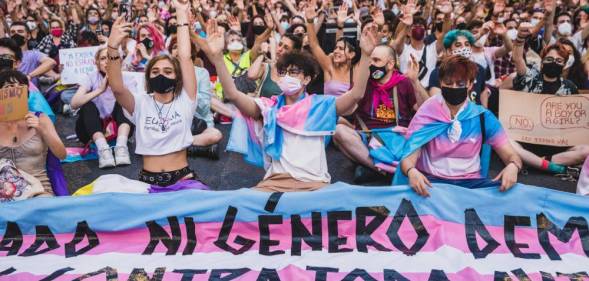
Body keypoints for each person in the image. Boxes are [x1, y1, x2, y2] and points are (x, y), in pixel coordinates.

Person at [199, 19, 378, 192]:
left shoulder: (320, 105)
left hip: (314, 186)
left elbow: (357, 94)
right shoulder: (269, 108)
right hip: (275, 185)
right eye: (283, 72)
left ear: (307, 79)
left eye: (294, 72)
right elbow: (232, 94)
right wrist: (217, 58)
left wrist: (366, 55)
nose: (287, 76)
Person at [397, 55, 522, 196]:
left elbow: (511, 155)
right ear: (440, 83)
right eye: (448, 83)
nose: (454, 87)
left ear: (470, 84)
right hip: (431, 184)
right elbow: (408, 159)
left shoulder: (482, 117)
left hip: (471, 187)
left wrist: (513, 166)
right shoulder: (426, 113)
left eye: (460, 84)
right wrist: (412, 171)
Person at [106, 0, 200, 187]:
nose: (161, 75)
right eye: (155, 72)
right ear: (148, 78)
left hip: (184, 179)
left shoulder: (186, 99)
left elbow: (184, 56)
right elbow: (117, 88)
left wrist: (181, 14)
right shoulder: (140, 103)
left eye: (168, 71)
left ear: (177, 77)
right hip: (148, 183)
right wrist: (112, 47)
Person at [509, 23, 589, 175]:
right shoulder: (529, 77)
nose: (554, 63)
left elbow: (574, 122)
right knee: (503, 140)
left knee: (586, 150)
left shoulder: (570, 87)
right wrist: (520, 38)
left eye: (559, 61)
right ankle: (548, 165)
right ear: (542, 60)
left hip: (555, 144)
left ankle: (536, 161)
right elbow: (518, 58)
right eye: (550, 59)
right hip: (525, 140)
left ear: (564, 65)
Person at [333, 44, 421, 182]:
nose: (372, 65)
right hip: (367, 138)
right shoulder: (363, 83)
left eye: (376, 60)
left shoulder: (404, 83)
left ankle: (371, 167)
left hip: (396, 140)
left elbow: (424, 110)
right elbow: (347, 110)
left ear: (390, 64)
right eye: (370, 61)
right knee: (338, 131)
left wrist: (415, 83)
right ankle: (385, 170)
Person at [0, 70, 66, 197]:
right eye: (8, 88)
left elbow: (62, 154)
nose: (14, 91)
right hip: (5, 194)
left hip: (39, 190)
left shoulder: (40, 118)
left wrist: (43, 130)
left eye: (19, 87)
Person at [70, 47, 134, 169]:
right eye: (103, 58)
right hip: (90, 131)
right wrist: (99, 90)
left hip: (119, 128)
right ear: (97, 63)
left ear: (119, 62)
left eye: (111, 58)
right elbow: (74, 103)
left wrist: (117, 86)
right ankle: (103, 150)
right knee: (87, 104)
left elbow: (134, 108)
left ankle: (121, 148)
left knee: (124, 100)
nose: (107, 61)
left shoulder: (128, 78)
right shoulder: (90, 77)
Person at [168, 37, 223, 159]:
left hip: (199, 123)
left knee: (215, 135)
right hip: (173, 124)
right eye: (175, 47)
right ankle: (194, 149)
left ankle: (174, 147)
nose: (178, 50)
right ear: (171, 52)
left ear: (191, 52)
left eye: (182, 47)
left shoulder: (201, 73)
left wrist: (188, 87)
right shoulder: (166, 73)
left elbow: (204, 108)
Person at [248, 33, 303, 98]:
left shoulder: (297, 75)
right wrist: (262, 54)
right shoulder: (268, 67)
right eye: (280, 44)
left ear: (294, 53)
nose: (280, 49)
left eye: (286, 48)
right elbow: (251, 75)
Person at [9, 22, 57, 88]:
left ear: (28, 36)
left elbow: (51, 62)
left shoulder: (34, 54)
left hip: (30, 94)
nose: (16, 34)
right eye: (12, 32)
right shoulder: (4, 54)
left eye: (20, 31)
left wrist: (29, 76)